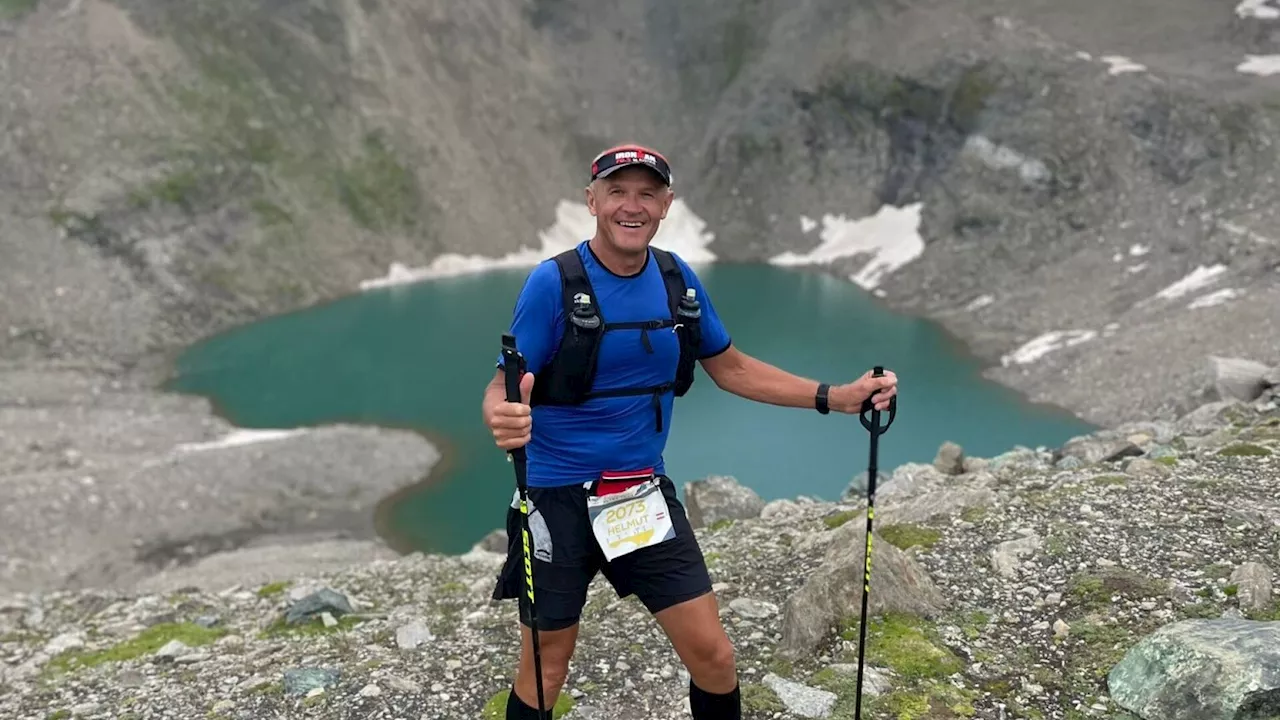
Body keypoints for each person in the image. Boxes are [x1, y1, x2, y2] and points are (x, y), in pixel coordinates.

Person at [482, 143, 899, 720]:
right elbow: (505, 383)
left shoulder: (678, 281)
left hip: (637, 494)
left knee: (714, 655)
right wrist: (501, 413)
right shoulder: (553, 283)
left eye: (647, 194)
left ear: (667, 203)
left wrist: (837, 397)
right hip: (553, 499)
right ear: (592, 200)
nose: (633, 206)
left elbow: (732, 368)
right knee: (547, 663)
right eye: (618, 192)